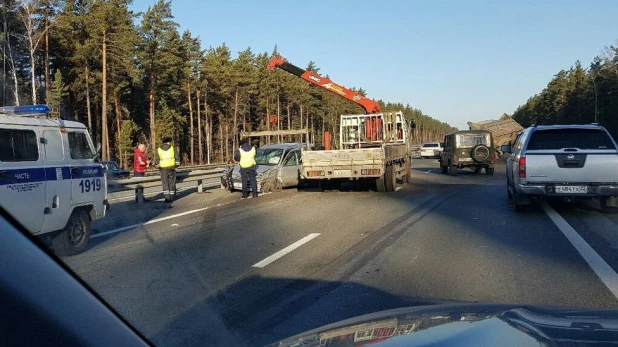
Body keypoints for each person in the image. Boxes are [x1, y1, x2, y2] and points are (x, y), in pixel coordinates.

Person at [154, 137, 180, 203]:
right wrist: (176, 166)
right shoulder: (172, 148)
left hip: (163, 168)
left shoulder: (159, 149)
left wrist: (158, 167)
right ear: (168, 142)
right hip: (171, 168)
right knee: (172, 182)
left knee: (165, 183)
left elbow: (157, 161)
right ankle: (171, 197)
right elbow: (177, 158)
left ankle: (167, 198)